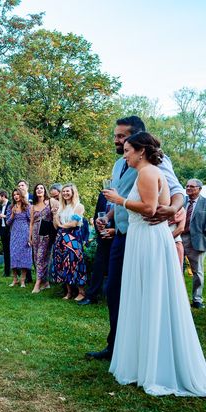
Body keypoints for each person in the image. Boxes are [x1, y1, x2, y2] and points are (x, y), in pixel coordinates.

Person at [104, 132, 206, 396]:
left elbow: (149, 208)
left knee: (149, 294)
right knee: (143, 295)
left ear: (141, 151)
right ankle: (142, 361)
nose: (124, 154)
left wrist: (120, 200)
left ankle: (153, 366)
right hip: (143, 237)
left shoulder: (147, 172)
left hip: (148, 239)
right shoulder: (146, 171)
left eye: (127, 149)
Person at [88, 116, 184, 361]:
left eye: (121, 137)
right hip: (119, 233)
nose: (117, 141)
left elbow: (177, 191)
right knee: (115, 291)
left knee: (132, 291)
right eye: (116, 136)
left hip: (140, 236)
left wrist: (173, 209)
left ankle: (136, 349)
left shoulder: (155, 161)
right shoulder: (119, 163)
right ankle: (118, 345)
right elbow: (124, 196)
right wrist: (108, 216)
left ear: (137, 138)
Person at [51, 184, 86, 300]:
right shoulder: (61, 208)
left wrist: (61, 226)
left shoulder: (79, 206)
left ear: (73, 192)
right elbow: (55, 226)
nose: (65, 193)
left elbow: (74, 223)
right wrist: (55, 214)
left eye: (68, 191)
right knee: (62, 262)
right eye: (63, 191)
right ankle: (69, 292)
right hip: (61, 237)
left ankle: (81, 292)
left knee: (75, 261)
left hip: (73, 236)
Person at [78, 191, 114, 305]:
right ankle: (91, 296)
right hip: (103, 235)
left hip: (119, 234)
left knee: (117, 266)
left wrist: (115, 231)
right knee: (98, 266)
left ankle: (113, 296)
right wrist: (99, 230)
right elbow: (96, 215)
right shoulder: (103, 195)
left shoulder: (124, 192)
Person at [181, 179, 206, 309]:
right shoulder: (181, 201)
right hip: (178, 238)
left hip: (196, 241)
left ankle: (197, 299)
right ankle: (180, 298)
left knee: (198, 271)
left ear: (199, 189)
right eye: (187, 186)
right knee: (177, 269)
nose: (188, 188)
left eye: (192, 186)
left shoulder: (205, 203)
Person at [28, 184, 53, 293]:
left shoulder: (50, 203)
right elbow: (31, 223)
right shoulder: (33, 206)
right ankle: (46, 282)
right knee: (37, 258)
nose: (39, 190)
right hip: (35, 232)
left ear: (44, 191)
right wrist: (30, 237)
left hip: (46, 232)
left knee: (41, 257)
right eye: (37, 188)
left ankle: (37, 284)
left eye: (41, 188)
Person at [7, 189, 32, 287]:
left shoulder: (27, 206)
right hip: (14, 233)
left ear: (21, 195)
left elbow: (31, 221)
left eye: (17, 194)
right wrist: (13, 214)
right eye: (14, 195)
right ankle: (14, 279)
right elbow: (7, 222)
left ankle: (22, 280)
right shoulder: (10, 207)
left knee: (24, 256)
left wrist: (30, 236)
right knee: (14, 255)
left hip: (25, 232)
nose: (16, 196)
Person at [0, 191, 12, 277]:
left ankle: (16, 270)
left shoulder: (11, 205)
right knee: (5, 251)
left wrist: (4, 216)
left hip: (10, 230)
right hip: (3, 231)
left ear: (3, 196)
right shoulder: (0, 207)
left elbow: (14, 216)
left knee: (12, 251)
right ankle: (6, 271)